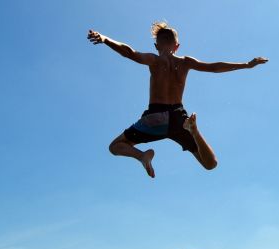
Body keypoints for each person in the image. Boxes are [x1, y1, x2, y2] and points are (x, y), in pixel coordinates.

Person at [87, 22, 268, 178]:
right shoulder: (185, 62)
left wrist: (105, 39)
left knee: (115, 146)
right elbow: (214, 67)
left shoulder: (154, 60)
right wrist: (246, 65)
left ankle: (142, 156)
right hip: (179, 118)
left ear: (156, 46)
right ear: (177, 46)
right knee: (210, 164)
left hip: (154, 117)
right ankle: (194, 131)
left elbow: (129, 52)